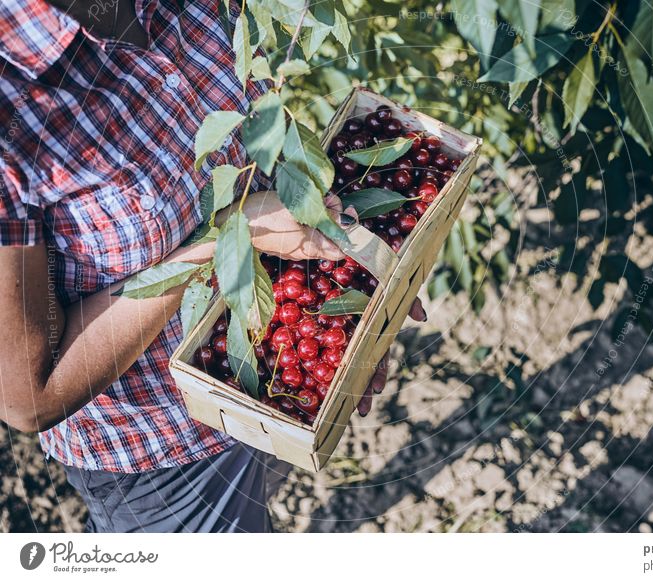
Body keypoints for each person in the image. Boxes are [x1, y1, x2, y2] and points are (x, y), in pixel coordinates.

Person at [0, 0, 425, 532]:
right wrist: (230, 234)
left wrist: (340, 302)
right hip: (163, 455)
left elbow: (250, 136)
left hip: (270, 366)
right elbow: (29, 396)